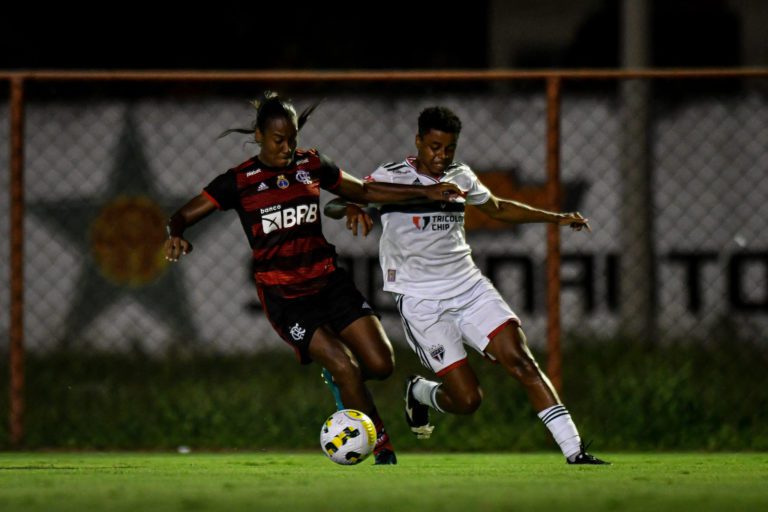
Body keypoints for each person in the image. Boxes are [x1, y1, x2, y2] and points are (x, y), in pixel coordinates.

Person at [164, 93, 460, 465]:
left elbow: (364, 191)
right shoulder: (239, 181)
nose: (287, 147)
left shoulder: (312, 165)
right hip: (286, 298)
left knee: (381, 364)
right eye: (278, 140)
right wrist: (174, 233)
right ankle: (380, 442)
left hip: (329, 282)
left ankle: (344, 385)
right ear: (259, 136)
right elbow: (181, 215)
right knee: (343, 362)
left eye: (292, 138)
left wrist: (426, 191)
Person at [325, 106, 608, 465]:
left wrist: (556, 218)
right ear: (418, 142)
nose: (441, 156)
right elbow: (344, 199)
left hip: (470, 288)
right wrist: (354, 207)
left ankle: (575, 451)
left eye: (448, 148)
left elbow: (499, 208)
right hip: (422, 302)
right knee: (468, 400)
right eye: (433, 147)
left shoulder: (461, 176)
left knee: (522, 361)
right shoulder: (391, 176)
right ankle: (422, 393)